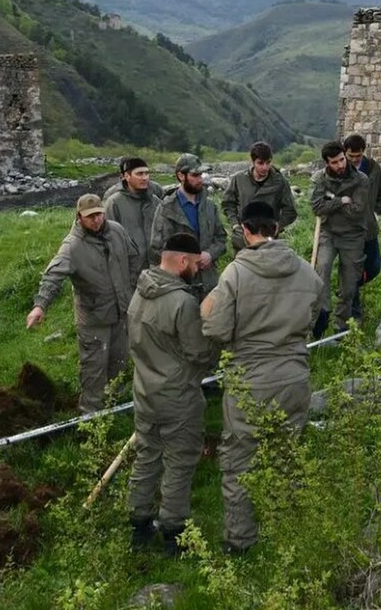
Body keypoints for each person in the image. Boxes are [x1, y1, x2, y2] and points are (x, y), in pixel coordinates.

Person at [201, 201, 322, 554]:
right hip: (294, 376)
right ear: (277, 228)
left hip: (250, 379)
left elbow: (218, 328)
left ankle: (239, 542)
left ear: (245, 229)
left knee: (239, 461)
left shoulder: (235, 274)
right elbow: (313, 316)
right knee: (287, 455)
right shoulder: (305, 271)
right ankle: (287, 532)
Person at [127, 232, 217, 556]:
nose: (197, 269)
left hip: (144, 390)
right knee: (180, 460)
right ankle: (173, 532)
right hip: (178, 395)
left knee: (147, 454)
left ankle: (139, 524)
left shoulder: (139, 292)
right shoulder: (182, 302)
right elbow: (199, 353)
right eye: (194, 264)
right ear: (181, 261)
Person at [27, 194, 139, 412]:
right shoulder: (72, 246)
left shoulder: (116, 231)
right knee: (94, 369)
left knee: (119, 361)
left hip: (121, 312)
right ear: (79, 217)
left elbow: (134, 257)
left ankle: (115, 405)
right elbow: (53, 277)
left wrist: (133, 288)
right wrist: (40, 305)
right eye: (90, 217)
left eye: (99, 214)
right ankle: (90, 414)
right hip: (94, 317)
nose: (96, 220)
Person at [309, 140, 370, 336]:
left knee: (349, 283)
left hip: (353, 235)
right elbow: (316, 206)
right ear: (327, 162)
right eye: (334, 162)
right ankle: (320, 317)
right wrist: (341, 200)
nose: (341, 165)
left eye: (342, 159)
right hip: (328, 233)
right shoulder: (319, 178)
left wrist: (330, 200)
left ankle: (340, 325)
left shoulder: (361, 179)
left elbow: (357, 211)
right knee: (322, 269)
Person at [149, 153, 228, 297]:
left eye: (201, 175)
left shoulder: (209, 206)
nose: (200, 180)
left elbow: (221, 238)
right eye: (195, 175)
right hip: (180, 287)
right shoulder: (166, 209)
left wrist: (210, 254)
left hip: (209, 284)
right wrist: (188, 262)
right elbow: (157, 250)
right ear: (181, 176)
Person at [343, 133, 381, 320]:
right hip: (348, 230)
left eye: (358, 156)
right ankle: (354, 313)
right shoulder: (340, 169)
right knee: (352, 269)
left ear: (364, 151)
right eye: (351, 156)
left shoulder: (373, 168)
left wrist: (377, 211)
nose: (355, 160)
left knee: (374, 267)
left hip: (369, 228)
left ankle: (348, 287)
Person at [222, 141, 298, 252]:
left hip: (268, 238)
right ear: (252, 162)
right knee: (243, 267)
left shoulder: (280, 182)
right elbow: (228, 203)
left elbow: (290, 210)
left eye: (268, 163)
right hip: (243, 236)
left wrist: (279, 225)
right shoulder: (239, 180)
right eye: (260, 163)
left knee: (268, 267)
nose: (265, 167)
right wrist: (235, 224)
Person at [104, 157, 165, 272]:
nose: (145, 177)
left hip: (156, 268)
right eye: (140, 174)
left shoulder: (155, 201)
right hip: (129, 269)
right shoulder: (114, 202)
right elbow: (109, 239)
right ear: (127, 176)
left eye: (147, 173)